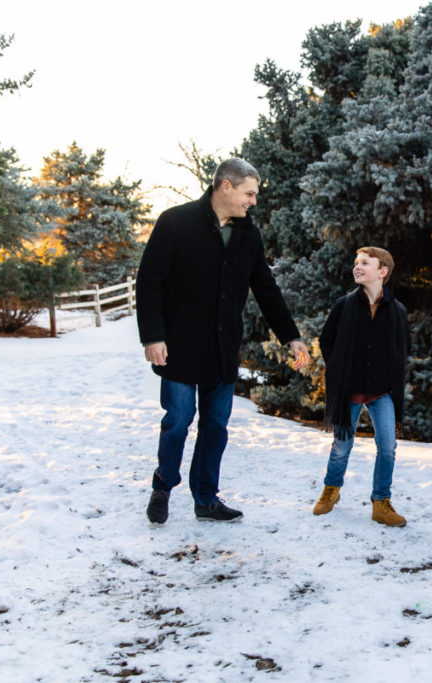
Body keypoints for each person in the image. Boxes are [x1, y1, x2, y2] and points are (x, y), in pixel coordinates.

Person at [136, 158, 310, 524]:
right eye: (249, 193)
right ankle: (162, 487)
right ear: (226, 186)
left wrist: (291, 336)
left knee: (215, 426)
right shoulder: (175, 221)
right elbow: (150, 282)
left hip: (223, 348)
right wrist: (152, 336)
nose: (254, 201)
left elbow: (266, 288)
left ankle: (206, 499)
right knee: (178, 420)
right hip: (179, 346)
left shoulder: (248, 235)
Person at [313, 247, 410, 527]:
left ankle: (381, 502)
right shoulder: (343, 305)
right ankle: (331, 489)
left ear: (382, 271)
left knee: (388, 446)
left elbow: (404, 348)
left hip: (382, 391)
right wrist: (337, 367)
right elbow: (326, 340)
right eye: (356, 262)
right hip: (349, 388)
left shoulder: (397, 310)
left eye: (365, 262)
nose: (357, 266)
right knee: (342, 445)